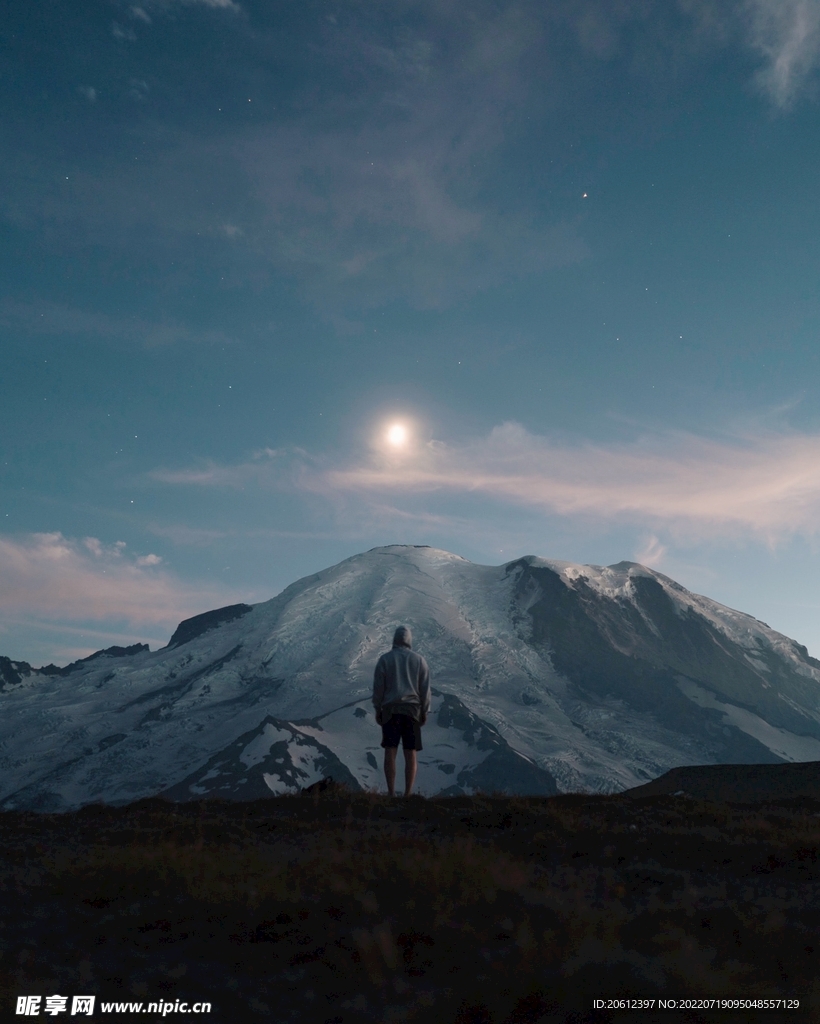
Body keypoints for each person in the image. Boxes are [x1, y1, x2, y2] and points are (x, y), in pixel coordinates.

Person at [372, 625, 430, 797]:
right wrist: (424, 711)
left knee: (390, 750)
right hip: (412, 710)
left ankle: (390, 792)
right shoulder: (419, 660)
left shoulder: (385, 659)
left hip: (390, 710)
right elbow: (425, 689)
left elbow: (378, 688)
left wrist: (377, 707)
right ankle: (407, 793)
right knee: (410, 752)